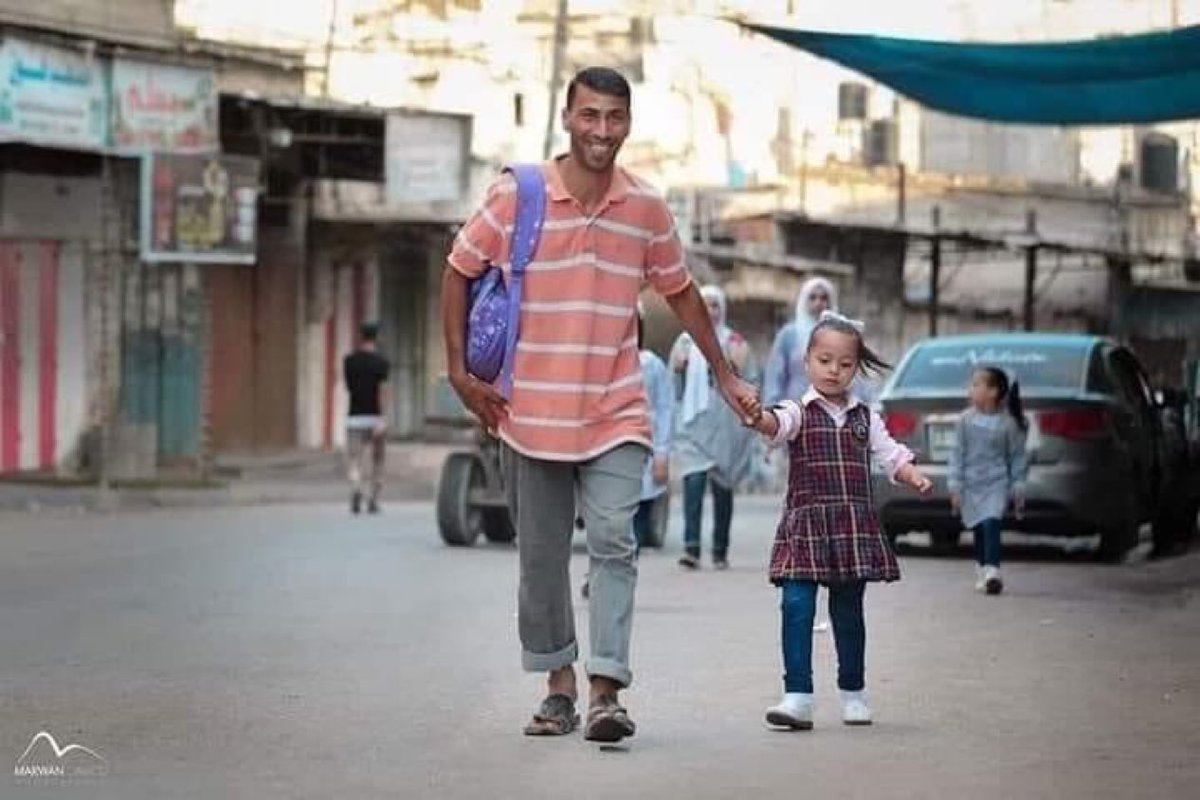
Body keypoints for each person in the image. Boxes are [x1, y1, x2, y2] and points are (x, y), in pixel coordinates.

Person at [440, 66, 758, 744]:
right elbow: (459, 269)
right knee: (542, 557)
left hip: (616, 409)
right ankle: (558, 684)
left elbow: (681, 293)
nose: (602, 131)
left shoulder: (644, 208)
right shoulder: (515, 196)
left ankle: (606, 689)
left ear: (629, 124)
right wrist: (459, 372)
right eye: (590, 115)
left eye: (615, 117)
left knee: (616, 540)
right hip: (527, 412)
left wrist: (726, 376)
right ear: (567, 116)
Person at [743, 312, 933, 730]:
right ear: (807, 362)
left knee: (848, 611)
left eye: (845, 363)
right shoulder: (798, 410)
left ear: (856, 368)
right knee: (796, 605)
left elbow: (891, 454)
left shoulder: (865, 416)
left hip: (851, 528)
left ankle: (854, 692)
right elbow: (776, 425)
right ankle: (797, 697)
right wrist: (760, 418)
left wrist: (912, 473)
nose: (834, 370)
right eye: (825, 360)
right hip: (805, 526)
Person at [580, 305, 674, 599]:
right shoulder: (596, 363)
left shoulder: (651, 365)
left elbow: (664, 409)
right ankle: (598, 576)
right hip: (604, 452)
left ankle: (618, 578)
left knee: (634, 531)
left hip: (643, 455)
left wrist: (662, 454)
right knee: (606, 522)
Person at [669, 285, 757, 571]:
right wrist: (680, 370)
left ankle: (720, 549)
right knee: (693, 483)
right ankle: (691, 547)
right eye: (704, 304)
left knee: (722, 487)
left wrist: (735, 367)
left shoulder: (736, 342)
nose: (710, 310)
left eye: (715, 305)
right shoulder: (683, 343)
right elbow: (675, 390)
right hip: (691, 427)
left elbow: (751, 382)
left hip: (724, 425)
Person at [948, 367, 1029, 596]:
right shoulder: (964, 421)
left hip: (997, 482)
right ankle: (982, 568)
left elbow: (1016, 456)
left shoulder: (1008, 424)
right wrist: (955, 484)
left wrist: (1018, 486)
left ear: (993, 391)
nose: (971, 390)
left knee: (991, 521)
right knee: (978, 527)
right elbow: (957, 453)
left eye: (976, 385)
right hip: (971, 483)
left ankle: (993, 570)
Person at [763, 277, 837, 406]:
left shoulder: (841, 334)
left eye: (824, 298)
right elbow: (775, 376)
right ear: (804, 300)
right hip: (794, 408)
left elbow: (853, 377)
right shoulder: (789, 335)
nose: (818, 302)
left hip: (832, 408)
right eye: (812, 297)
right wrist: (773, 408)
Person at [342, 321, 391, 515]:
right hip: (375, 418)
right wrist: (383, 417)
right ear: (376, 337)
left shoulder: (349, 361)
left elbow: (348, 387)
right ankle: (373, 500)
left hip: (354, 417)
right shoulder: (381, 363)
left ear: (361, 337)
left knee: (354, 459)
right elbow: (383, 391)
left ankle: (356, 488)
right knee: (377, 460)